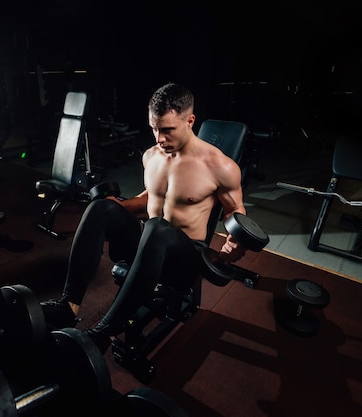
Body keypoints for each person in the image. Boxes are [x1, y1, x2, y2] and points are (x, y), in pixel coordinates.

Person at [41, 82, 247, 353]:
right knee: (101, 208)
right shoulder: (152, 156)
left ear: (190, 121)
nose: (159, 138)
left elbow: (236, 214)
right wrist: (120, 207)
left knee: (157, 229)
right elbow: (153, 198)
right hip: (147, 244)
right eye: (154, 128)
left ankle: (102, 334)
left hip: (182, 259)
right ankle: (69, 305)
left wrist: (234, 243)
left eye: (167, 130)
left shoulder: (219, 166)